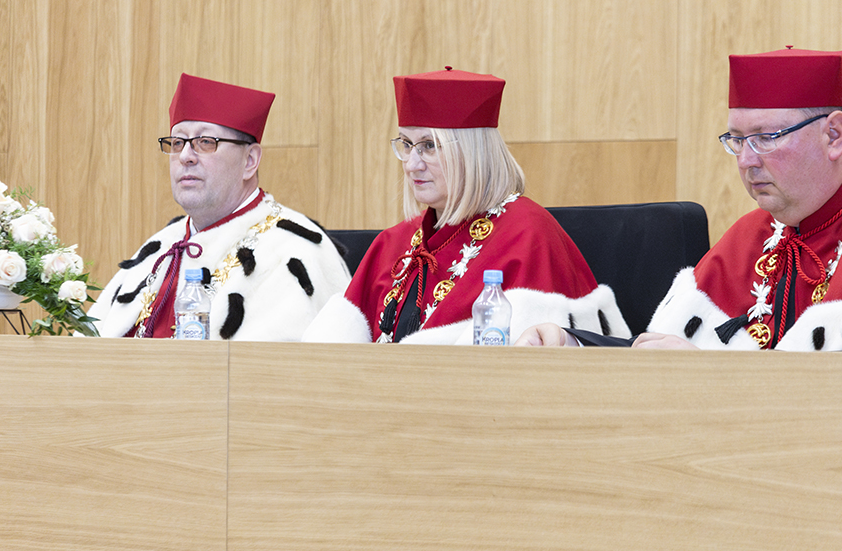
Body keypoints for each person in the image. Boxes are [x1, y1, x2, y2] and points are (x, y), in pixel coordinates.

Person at [517, 47, 842, 351]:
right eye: (737, 140)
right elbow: (662, 354)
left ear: (834, 135)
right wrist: (572, 343)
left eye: (766, 138)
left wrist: (709, 380)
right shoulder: (755, 234)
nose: (746, 161)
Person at [304, 67, 625, 344]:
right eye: (406, 144)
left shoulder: (528, 233)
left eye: (429, 146)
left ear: (473, 153)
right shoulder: (392, 243)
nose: (412, 164)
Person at [90, 73, 350, 340]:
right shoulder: (162, 246)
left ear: (250, 160)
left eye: (205, 142)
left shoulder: (295, 250)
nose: (185, 156)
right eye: (178, 142)